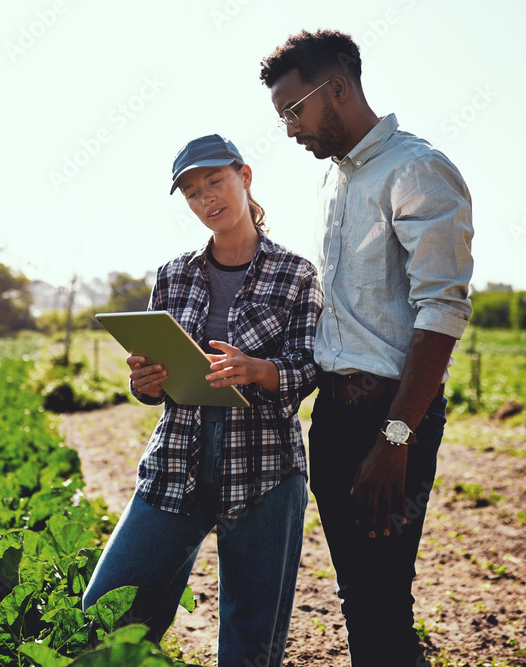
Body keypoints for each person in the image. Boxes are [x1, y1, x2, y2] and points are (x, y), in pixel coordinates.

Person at [259, 29, 474, 666]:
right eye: (281, 117)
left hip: (390, 421)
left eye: (294, 110)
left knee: (381, 602)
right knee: (360, 597)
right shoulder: (334, 182)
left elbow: (442, 312)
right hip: (334, 415)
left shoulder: (417, 169)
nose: (290, 129)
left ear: (341, 88)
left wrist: (395, 439)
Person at [81, 134, 323, 666]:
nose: (206, 197)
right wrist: (145, 382)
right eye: (191, 191)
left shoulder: (297, 274)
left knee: (249, 638)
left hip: (264, 471)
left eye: (215, 181)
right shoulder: (173, 275)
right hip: (176, 462)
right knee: (107, 609)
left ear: (245, 176)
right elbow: (151, 379)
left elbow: (310, 368)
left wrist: (261, 371)